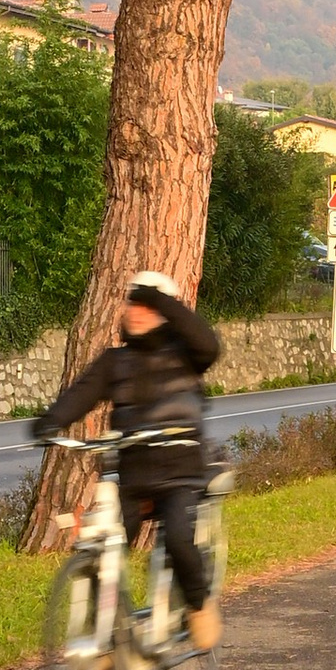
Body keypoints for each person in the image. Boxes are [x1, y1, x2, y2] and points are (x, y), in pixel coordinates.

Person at [32, 273, 225, 648]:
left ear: (166, 313)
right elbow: (80, 394)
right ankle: (104, 635)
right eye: (132, 304)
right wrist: (51, 421)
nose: (136, 313)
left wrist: (161, 299)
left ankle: (200, 607)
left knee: (180, 539)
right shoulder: (114, 361)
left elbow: (209, 344)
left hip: (181, 472)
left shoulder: (188, 355)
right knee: (107, 548)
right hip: (134, 476)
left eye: (147, 307)